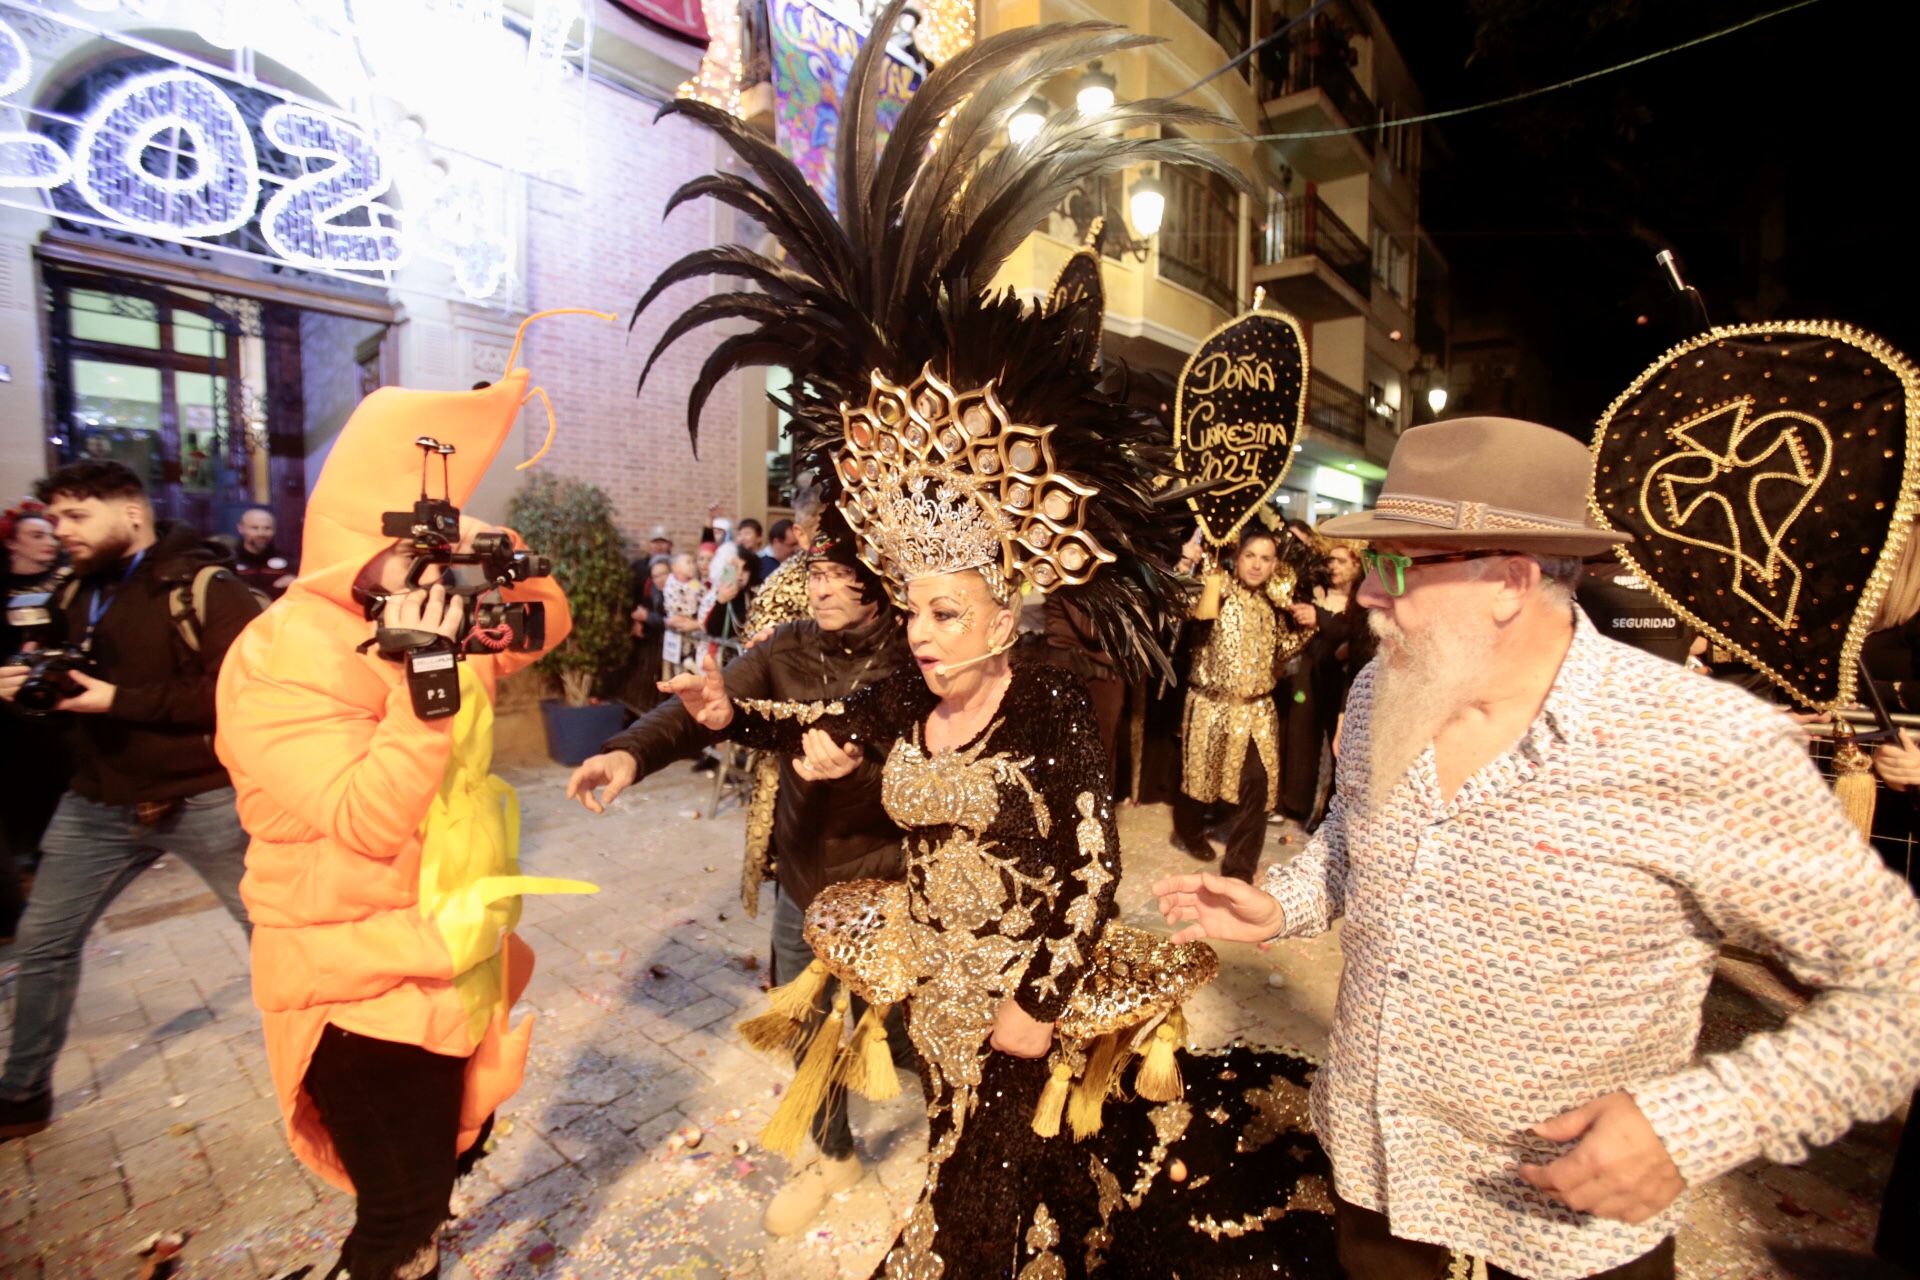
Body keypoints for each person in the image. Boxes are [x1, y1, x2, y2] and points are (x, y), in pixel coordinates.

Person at [629, 13, 1339, 1270]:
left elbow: (1081, 878)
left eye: (946, 610)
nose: (923, 632)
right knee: (1016, 1174)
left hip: (1020, 1004)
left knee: (982, 1207)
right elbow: (828, 716)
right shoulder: (910, 679)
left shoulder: (1054, 706)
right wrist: (748, 735)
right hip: (935, 991)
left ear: (1008, 607)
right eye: (911, 607)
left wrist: (1031, 1006)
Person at [1154, 416, 1920, 1280]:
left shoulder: (1701, 744)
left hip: (1569, 1211)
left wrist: (1690, 1125)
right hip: (1380, 1162)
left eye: (1394, 566)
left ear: (1511, 582)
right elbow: (1352, 846)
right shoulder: (1378, 689)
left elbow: (1901, 994)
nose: (1365, 593)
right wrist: (1285, 901)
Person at [215, 371, 589, 1280]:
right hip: (353, 986)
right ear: (354, 535)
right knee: (398, 1211)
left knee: (442, 1167)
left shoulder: (422, 620)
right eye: (412, 547)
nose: (433, 573)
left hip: (441, 954)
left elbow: (543, 624)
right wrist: (427, 678)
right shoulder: (277, 653)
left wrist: (500, 549)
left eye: (439, 550)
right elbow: (364, 819)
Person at [568, 506, 912, 1236]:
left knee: (906, 1027)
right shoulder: (788, 648)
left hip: (892, 878)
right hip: (806, 872)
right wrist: (631, 751)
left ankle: (957, 1148)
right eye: (814, 572)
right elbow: (708, 709)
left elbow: (934, 755)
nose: (818, 588)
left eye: (837, 576)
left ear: (876, 583)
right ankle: (832, 1150)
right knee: (807, 1022)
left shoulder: (914, 655)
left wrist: (863, 762)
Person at [0, 460, 259, 1141]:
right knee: (44, 938)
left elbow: (239, 694)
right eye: (54, 519)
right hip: (96, 802)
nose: (60, 532)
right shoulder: (69, 591)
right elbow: (71, 691)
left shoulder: (206, 586)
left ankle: (338, 1068)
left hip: (204, 797)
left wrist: (120, 700)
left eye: (76, 517)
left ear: (132, 512)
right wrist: (35, 690)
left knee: (278, 936)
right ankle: (22, 1095)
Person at [1172, 526, 1316, 880]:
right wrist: (1184, 568)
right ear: (1237, 557)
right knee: (1200, 781)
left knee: (1260, 781)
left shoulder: (1272, 601)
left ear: (1274, 564)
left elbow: (1280, 650)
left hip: (1257, 709)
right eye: (1250, 556)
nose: (1256, 565)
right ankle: (1188, 830)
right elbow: (1181, 606)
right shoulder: (1215, 588)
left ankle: (1239, 869)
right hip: (1211, 705)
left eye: (1266, 559)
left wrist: (1306, 627)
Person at [2, 499, 70, 943]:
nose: (50, 542)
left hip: (58, 724)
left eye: (51, 534)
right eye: (37, 535)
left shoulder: (70, 585)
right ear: (11, 542)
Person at [232, 505, 295, 601]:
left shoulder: (289, 562)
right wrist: (275, 589)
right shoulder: (230, 561)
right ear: (241, 528)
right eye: (254, 528)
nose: (261, 533)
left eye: (267, 528)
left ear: (274, 530)